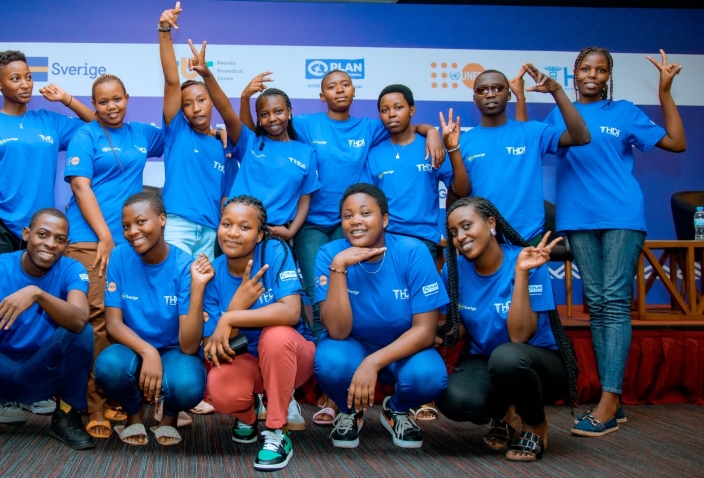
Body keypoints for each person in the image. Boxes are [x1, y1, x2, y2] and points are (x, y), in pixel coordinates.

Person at [240, 71, 446, 338]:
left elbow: (402, 124)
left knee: (347, 285)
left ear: (354, 91)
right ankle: (320, 346)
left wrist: (430, 131)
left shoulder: (369, 127)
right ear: (321, 95)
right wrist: (244, 101)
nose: (339, 90)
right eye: (332, 86)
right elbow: (256, 133)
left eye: (345, 84)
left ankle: (348, 342)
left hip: (348, 224)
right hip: (311, 223)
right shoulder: (306, 124)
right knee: (318, 288)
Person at [544, 47, 684, 436]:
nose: (592, 75)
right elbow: (529, 141)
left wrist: (665, 93)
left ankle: (608, 399)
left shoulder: (622, 111)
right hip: (577, 218)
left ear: (608, 76)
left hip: (621, 214)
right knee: (599, 302)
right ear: (574, 73)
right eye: (586, 68)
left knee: (614, 300)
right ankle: (613, 401)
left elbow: (676, 143)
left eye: (600, 70)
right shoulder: (560, 113)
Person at [435, 197, 580, 461]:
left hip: (537, 363)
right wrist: (430, 335)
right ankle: (506, 416)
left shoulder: (527, 261)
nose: (460, 236)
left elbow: (519, 336)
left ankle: (535, 424)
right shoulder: (455, 271)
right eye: (454, 232)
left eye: (467, 226)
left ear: (491, 223)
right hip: (487, 359)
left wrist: (522, 273)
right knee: (452, 398)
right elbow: (466, 325)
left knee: (508, 357)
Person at [0, 209, 96, 449]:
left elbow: (78, 320)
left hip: (42, 371)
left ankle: (66, 415)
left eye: (60, 239)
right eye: (42, 234)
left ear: (67, 244)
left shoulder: (72, 269)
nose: (50, 244)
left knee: (80, 333)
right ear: (26, 234)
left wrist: (37, 294)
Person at [64, 74, 165, 439]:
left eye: (117, 99)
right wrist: (105, 236)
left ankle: (117, 395)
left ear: (127, 98)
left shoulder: (143, 134)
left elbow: (177, 117)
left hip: (128, 244)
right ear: (95, 105)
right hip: (89, 241)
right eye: (103, 102)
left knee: (124, 319)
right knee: (96, 321)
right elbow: (79, 185)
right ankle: (94, 405)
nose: (111, 107)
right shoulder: (86, 135)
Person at [313, 183, 448, 450]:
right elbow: (338, 332)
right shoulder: (330, 254)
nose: (356, 222)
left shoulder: (413, 251)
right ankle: (349, 411)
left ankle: (396, 410)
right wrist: (339, 268)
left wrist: (372, 363)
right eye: (348, 216)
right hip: (353, 344)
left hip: (404, 346)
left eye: (365, 213)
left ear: (385, 219)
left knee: (430, 376)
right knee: (330, 362)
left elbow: (425, 331)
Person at [203, 195, 315, 471]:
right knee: (222, 392)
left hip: (290, 357)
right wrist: (237, 305)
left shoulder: (274, 253)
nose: (232, 233)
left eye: (244, 227)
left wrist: (230, 316)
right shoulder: (211, 274)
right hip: (244, 360)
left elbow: (289, 312)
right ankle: (248, 415)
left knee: (276, 335)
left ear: (260, 235)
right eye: (226, 224)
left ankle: (278, 430)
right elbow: (213, 344)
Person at [0, 50, 94, 264]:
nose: (25, 84)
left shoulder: (49, 121)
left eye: (28, 77)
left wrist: (67, 99)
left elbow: (96, 126)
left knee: (37, 294)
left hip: (40, 228)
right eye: (15, 79)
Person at [94, 193, 208, 446]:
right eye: (126, 226)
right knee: (108, 366)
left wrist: (198, 288)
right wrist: (148, 352)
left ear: (163, 219)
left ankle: (169, 416)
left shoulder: (184, 266)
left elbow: (189, 346)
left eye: (141, 222)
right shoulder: (120, 257)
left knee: (188, 384)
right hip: (133, 346)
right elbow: (112, 324)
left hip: (174, 350)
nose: (133, 232)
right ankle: (133, 414)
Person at [183, 43, 319, 242]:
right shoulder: (250, 143)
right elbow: (226, 111)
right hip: (235, 232)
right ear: (259, 118)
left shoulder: (306, 153)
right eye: (264, 114)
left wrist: (291, 232)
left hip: (274, 236)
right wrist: (207, 75)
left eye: (278, 111)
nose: (272, 118)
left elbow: (305, 200)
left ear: (289, 112)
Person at [452, 65, 590, 243]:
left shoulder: (532, 132)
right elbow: (456, 196)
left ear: (509, 94)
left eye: (498, 88)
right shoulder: (463, 142)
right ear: (475, 99)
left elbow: (581, 137)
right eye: (482, 90)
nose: (490, 94)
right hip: (483, 242)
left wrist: (557, 91)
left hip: (528, 240)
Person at [157, 3, 230, 261]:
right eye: (187, 104)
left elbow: (225, 197)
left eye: (201, 100)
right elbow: (171, 80)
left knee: (200, 298)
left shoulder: (225, 145)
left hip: (210, 233)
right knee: (176, 292)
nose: (195, 109)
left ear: (212, 101)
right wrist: (164, 30)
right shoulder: (177, 131)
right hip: (178, 225)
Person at [368, 85, 470, 262]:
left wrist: (451, 148)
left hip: (425, 239)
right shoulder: (373, 153)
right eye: (385, 110)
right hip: (386, 239)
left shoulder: (431, 146)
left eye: (398, 107)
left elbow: (462, 190)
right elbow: (368, 201)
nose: (391, 114)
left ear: (412, 110)